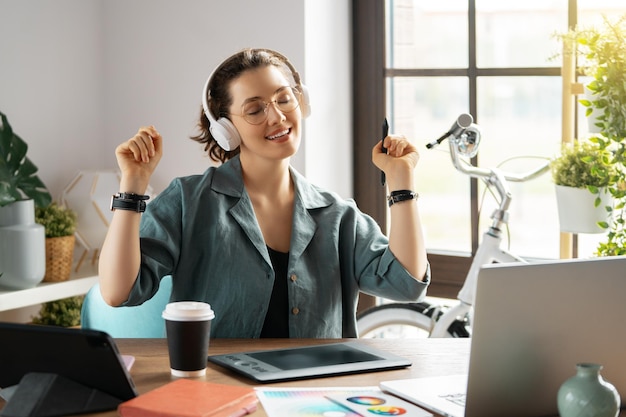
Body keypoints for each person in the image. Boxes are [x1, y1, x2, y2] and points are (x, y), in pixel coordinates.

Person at [98, 48, 430, 338]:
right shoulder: (189, 201)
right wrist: (133, 186)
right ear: (227, 130)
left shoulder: (337, 215)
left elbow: (405, 283)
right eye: (255, 110)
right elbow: (118, 291)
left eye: (284, 98)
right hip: (218, 391)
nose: (277, 115)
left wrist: (402, 182)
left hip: (311, 394)